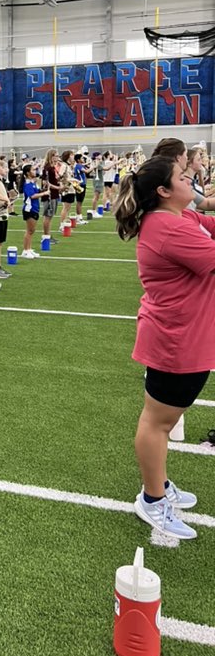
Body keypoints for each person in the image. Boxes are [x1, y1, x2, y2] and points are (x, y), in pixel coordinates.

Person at [114, 155, 213, 541]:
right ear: (163, 191)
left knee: (163, 420)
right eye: (183, 177)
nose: (191, 180)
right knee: (157, 423)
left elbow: (209, 222)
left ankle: (160, 485)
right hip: (176, 341)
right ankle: (153, 499)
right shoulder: (168, 229)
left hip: (186, 335)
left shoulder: (179, 218)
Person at [20, 164, 49, 258]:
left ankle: (29, 248)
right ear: (28, 173)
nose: (35, 171)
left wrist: (43, 189)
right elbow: (32, 196)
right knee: (29, 230)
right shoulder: (28, 184)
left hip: (35, 208)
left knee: (32, 230)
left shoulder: (32, 182)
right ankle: (25, 250)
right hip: (29, 209)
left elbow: (36, 192)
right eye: (33, 170)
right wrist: (44, 193)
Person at [41, 148, 61, 246]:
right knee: (48, 216)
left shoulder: (53, 167)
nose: (58, 158)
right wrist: (57, 187)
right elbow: (45, 182)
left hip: (54, 194)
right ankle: (46, 236)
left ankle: (48, 235)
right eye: (56, 156)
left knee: (50, 216)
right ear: (51, 156)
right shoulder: (47, 167)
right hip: (49, 195)